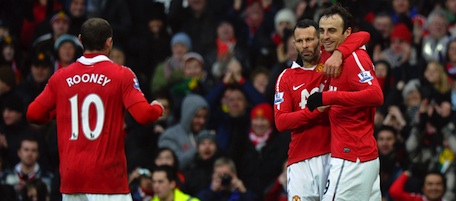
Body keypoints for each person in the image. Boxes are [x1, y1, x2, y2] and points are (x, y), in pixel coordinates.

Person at [26, 18, 164, 201]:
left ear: (80, 40)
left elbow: (33, 114)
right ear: (109, 42)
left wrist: (59, 111)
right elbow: (145, 116)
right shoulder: (122, 75)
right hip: (108, 180)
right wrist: (157, 107)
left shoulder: (60, 77)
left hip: (72, 180)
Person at [274, 18, 370, 200]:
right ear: (294, 44)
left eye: (309, 39)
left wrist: (339, 53)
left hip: (334, 155)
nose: (305, 46)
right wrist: (315, 111)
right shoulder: (286, 77)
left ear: (319, 39)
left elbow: (364, 36)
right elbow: (281, 121)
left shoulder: (331, 60)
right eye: (300, 41)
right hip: (300, 160)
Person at [306, 4, 383, 201]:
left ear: (347, 33)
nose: (325, 36)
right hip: (361, 156)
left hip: (351, 158)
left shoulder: (354, 58)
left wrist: (329, 98)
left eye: (332, 30)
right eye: (322, 31)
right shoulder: (331, 55)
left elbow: (376, 95)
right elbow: (363, 35)